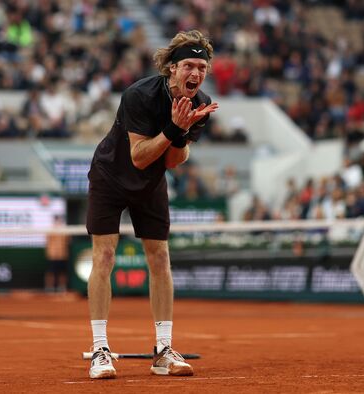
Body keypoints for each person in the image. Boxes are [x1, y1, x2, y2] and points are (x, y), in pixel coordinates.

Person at [85, 30, 218, 379]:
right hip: (110, 177)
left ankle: (163, 349)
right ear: (172, 69)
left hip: (151, 183)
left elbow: (173, 161)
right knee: (105, 256)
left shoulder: (200, 104)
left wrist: (182, 131)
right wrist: (174, 128)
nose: (196, 74)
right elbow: (140, 157)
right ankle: (100, 349)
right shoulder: (139, 95)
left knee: (160, 257)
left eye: (202, 67)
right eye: (189, 65)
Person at [44, 215, 70, 292]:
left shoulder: (64, 230)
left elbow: (68, 240)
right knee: (51, 272)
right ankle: (50, 288)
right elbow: (48, 241)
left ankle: (62, 287)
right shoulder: (50, 230)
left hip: (62, 255)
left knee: (62, 272)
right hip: (52, 255)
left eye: (59, 220)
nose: (58, 222)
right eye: (57, 220)